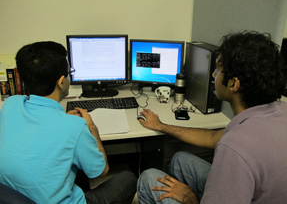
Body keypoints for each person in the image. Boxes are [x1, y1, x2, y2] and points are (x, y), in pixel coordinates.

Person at [137, 31, 287, 204]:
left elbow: (230, 144)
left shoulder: (235, 146)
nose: (213, 76)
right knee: (180, 159)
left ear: (233, 84)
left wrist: (190, 198)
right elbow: (213, 137)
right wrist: (162, 126)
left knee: (148, 178)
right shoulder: (279, 111)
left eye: (218, 70)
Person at [0, 41, 137, 204]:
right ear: (61, 81)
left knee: (74, 164)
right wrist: (92, 128)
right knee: (128, 178)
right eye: (69, 72)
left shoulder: (10, 104)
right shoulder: (75, 127)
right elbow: (101, 171)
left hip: (15, 197)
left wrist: (60, 119)